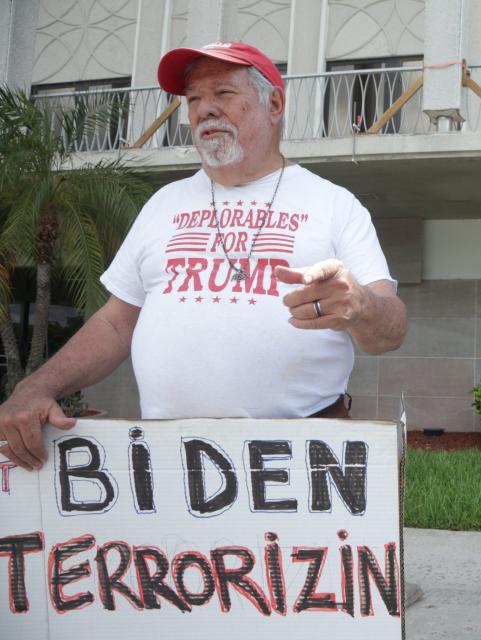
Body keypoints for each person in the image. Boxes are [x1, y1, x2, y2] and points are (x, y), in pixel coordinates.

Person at [0, 42, 406, 470]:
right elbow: (116, 323)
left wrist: (360, 306)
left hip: (297, 462)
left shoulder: (333, 205)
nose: (204, 109)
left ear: (274, 103)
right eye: (193, 99)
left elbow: (391, 330)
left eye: (223, 93)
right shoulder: (163, 204)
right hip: (167, 462)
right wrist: (37, 385)